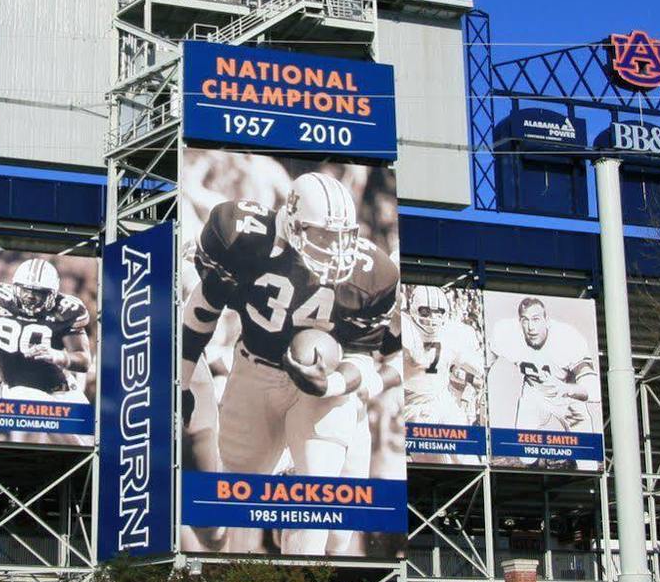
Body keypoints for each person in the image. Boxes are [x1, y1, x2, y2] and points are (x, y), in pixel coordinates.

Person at [179, 171, 402, 555]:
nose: (334, 248)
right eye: (322, 236)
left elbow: (366, 357)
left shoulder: (374, 273)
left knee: (330, 522)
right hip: (255, 371)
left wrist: (329, 384)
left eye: (342, 236)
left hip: (323, 385)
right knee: (234, 503)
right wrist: (180, 383)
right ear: (293, 223)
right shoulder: (241, 235)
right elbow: (203, 308)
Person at [0, 257, 91, 401]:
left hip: (59, 387)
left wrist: (58, 356)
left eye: (38, 293)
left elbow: (85, 361)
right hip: (18, 388)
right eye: (25, 290)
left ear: (52, 294)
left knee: (86, 420)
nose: (30, 297)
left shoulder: (65, 311)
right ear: (15, 288)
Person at [488, 296, 599, 431]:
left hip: (567, 398)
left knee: (586, 447)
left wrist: (566, 389)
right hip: (534, 393)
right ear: (519, 322)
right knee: (522, 445)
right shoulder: (507, 333)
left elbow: (593, 389)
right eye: (525, 320)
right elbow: (488, 357)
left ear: (547, 321)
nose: (530, 327)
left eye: (536, 319)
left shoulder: (567, 338)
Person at [399, 285, 484, 427]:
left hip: (440, 396)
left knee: (460, 427)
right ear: (413, 308)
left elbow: (478, 367)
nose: (432, 318)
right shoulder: (404, 325)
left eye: (438, 312)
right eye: (426, 311)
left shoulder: (451, 331)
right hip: (410, 401)